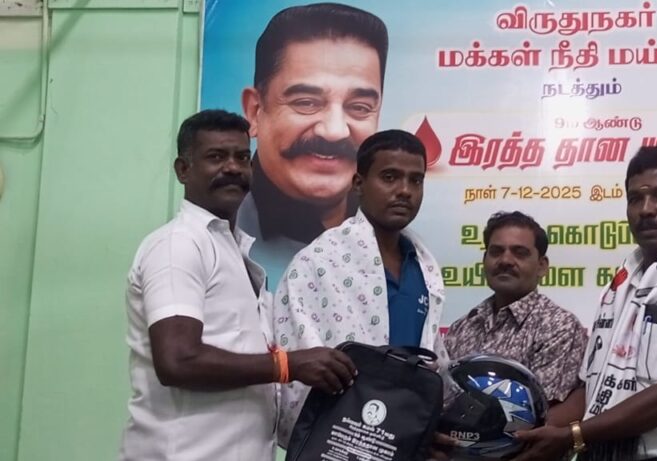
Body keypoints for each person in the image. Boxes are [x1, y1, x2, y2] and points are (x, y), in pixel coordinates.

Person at [119, 110, 357, 461]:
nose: (232, 167)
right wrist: (287, 366)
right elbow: (177, 360)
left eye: (242, 157)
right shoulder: (178, 244)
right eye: (216, 157)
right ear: (183, 170)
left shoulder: (233, 249)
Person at [514, 145, 657, 461]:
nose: (646, 209)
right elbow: (590, 389)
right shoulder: (619, 286)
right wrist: (521, 434)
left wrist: (574, 436)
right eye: (635, 198)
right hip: (598, 452)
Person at [273, 129, 447, 448]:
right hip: (336, 439)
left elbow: (433, 363)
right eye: (390, 177)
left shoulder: (424, 267)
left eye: (416, 180)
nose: (404, 191)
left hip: (405, 440)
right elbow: (298, 365)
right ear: (358, 184)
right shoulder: (319, 261)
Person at [239, 3, 389, 290]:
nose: (334, 131)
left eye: (359, 107)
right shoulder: (220, 236)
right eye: (306, 103)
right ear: (255, 112)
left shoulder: (394, 241)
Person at [444, 211, 588, 417]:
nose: (505, 260)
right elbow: (444, 398)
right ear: (484, 260)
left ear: (542, 266)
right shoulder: (463, 326)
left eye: (520, 253)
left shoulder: (559, 326)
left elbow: (538, 415)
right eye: (496, 252)